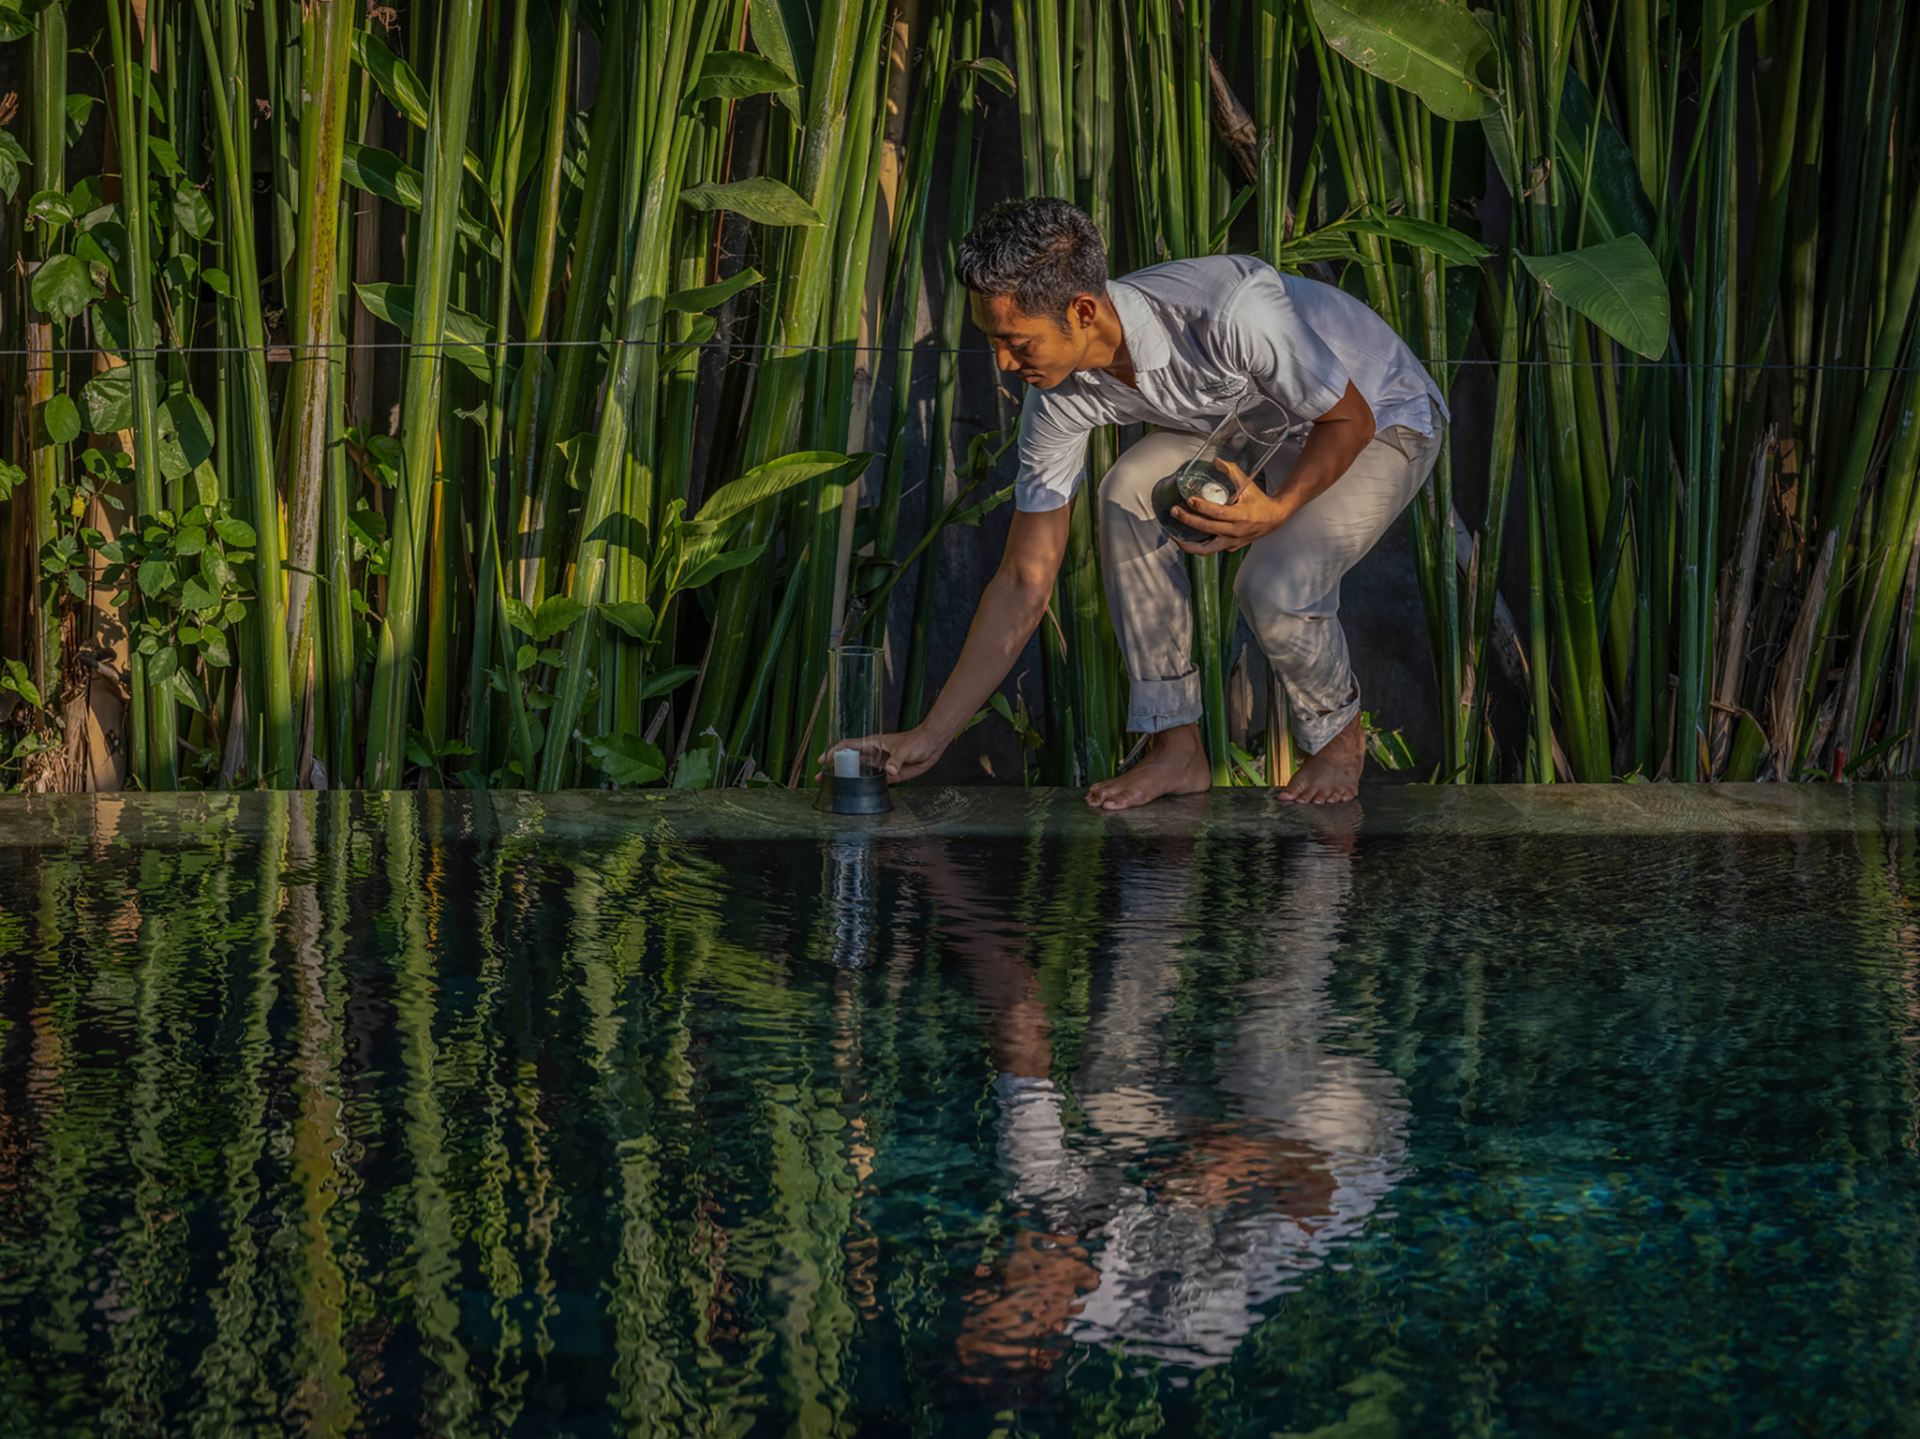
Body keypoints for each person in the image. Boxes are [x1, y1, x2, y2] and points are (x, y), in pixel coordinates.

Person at [868, 197, 1448, 807]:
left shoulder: (1230, 311)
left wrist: (1275, 513)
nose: (1004, 364)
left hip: (1379, 417)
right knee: (1125, 493)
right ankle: (1176, 751)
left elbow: (1346, 418)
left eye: (1015, 343)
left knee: (1273, 584)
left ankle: (1336, 737)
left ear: (1083, 310)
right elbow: (1023, 579)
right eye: (993, 342)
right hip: (1253, 423)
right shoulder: (1058, 395)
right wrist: (931, 735)